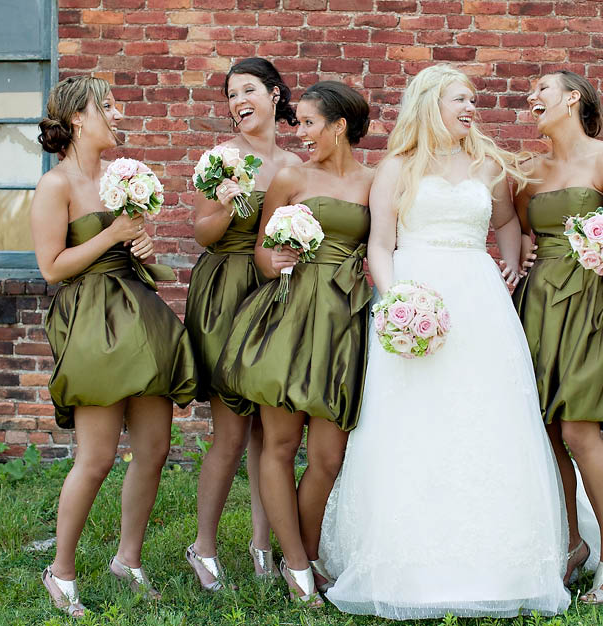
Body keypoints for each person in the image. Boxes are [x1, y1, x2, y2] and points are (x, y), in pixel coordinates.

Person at [319, 64, 571, 619]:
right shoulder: (397, 167)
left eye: (472, 100)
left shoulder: (488, 163)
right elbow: (380, 245)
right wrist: (397, 301)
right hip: (416, 295)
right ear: (430, 103)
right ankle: (409, 563)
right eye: (460, 99)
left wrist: (511, 264)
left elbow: (506, 222)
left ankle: (499, 564)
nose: (470, 108)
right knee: (415, 419)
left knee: (484, 416)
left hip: (479, 302)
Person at [31, 76, 197, 617]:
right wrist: (112, 234)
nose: (117, 112)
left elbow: (131, 248)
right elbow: (52, 267)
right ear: (78, 118)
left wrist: (142, 245)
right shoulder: (55, 185)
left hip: (139, 319)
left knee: (154, 448)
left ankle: (128, 560)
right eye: (107, 105)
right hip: (91, 323)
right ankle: (60, 571)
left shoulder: (122, 177)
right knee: (98, 457)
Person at [214, 81, 374, 605]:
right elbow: (262, 254)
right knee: (280, 447)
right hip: (289, 316)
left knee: (328, 456)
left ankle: (300, 552)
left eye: (308, 123)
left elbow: (387, 246)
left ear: (339, 126)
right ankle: (300, 566)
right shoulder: (290, 178)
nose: (299, 133)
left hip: (343, 324)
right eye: (297, 122)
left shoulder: (374, 182)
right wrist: (275, 258)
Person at [513, 70, 603, 605]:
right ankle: (571, 544)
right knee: (546, 430)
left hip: (592, 302)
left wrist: (598, 254)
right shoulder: (527, 171)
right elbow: (521, 232)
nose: (531, 95)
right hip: (539, 303)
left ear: (573, 98)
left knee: (580, 429)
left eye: (541, 87)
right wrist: (525, 251)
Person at [184, 58, 301, 589]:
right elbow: (201, 233)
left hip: (273, 292)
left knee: (267, 429)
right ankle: (204, 548)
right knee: (230, 431)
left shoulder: (293, 163)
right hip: (227, 291)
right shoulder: (221, 159)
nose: (238, 102)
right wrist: (230, 206)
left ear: (274, 95)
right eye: (231, 95)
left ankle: (261, 544)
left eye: (247, 90)